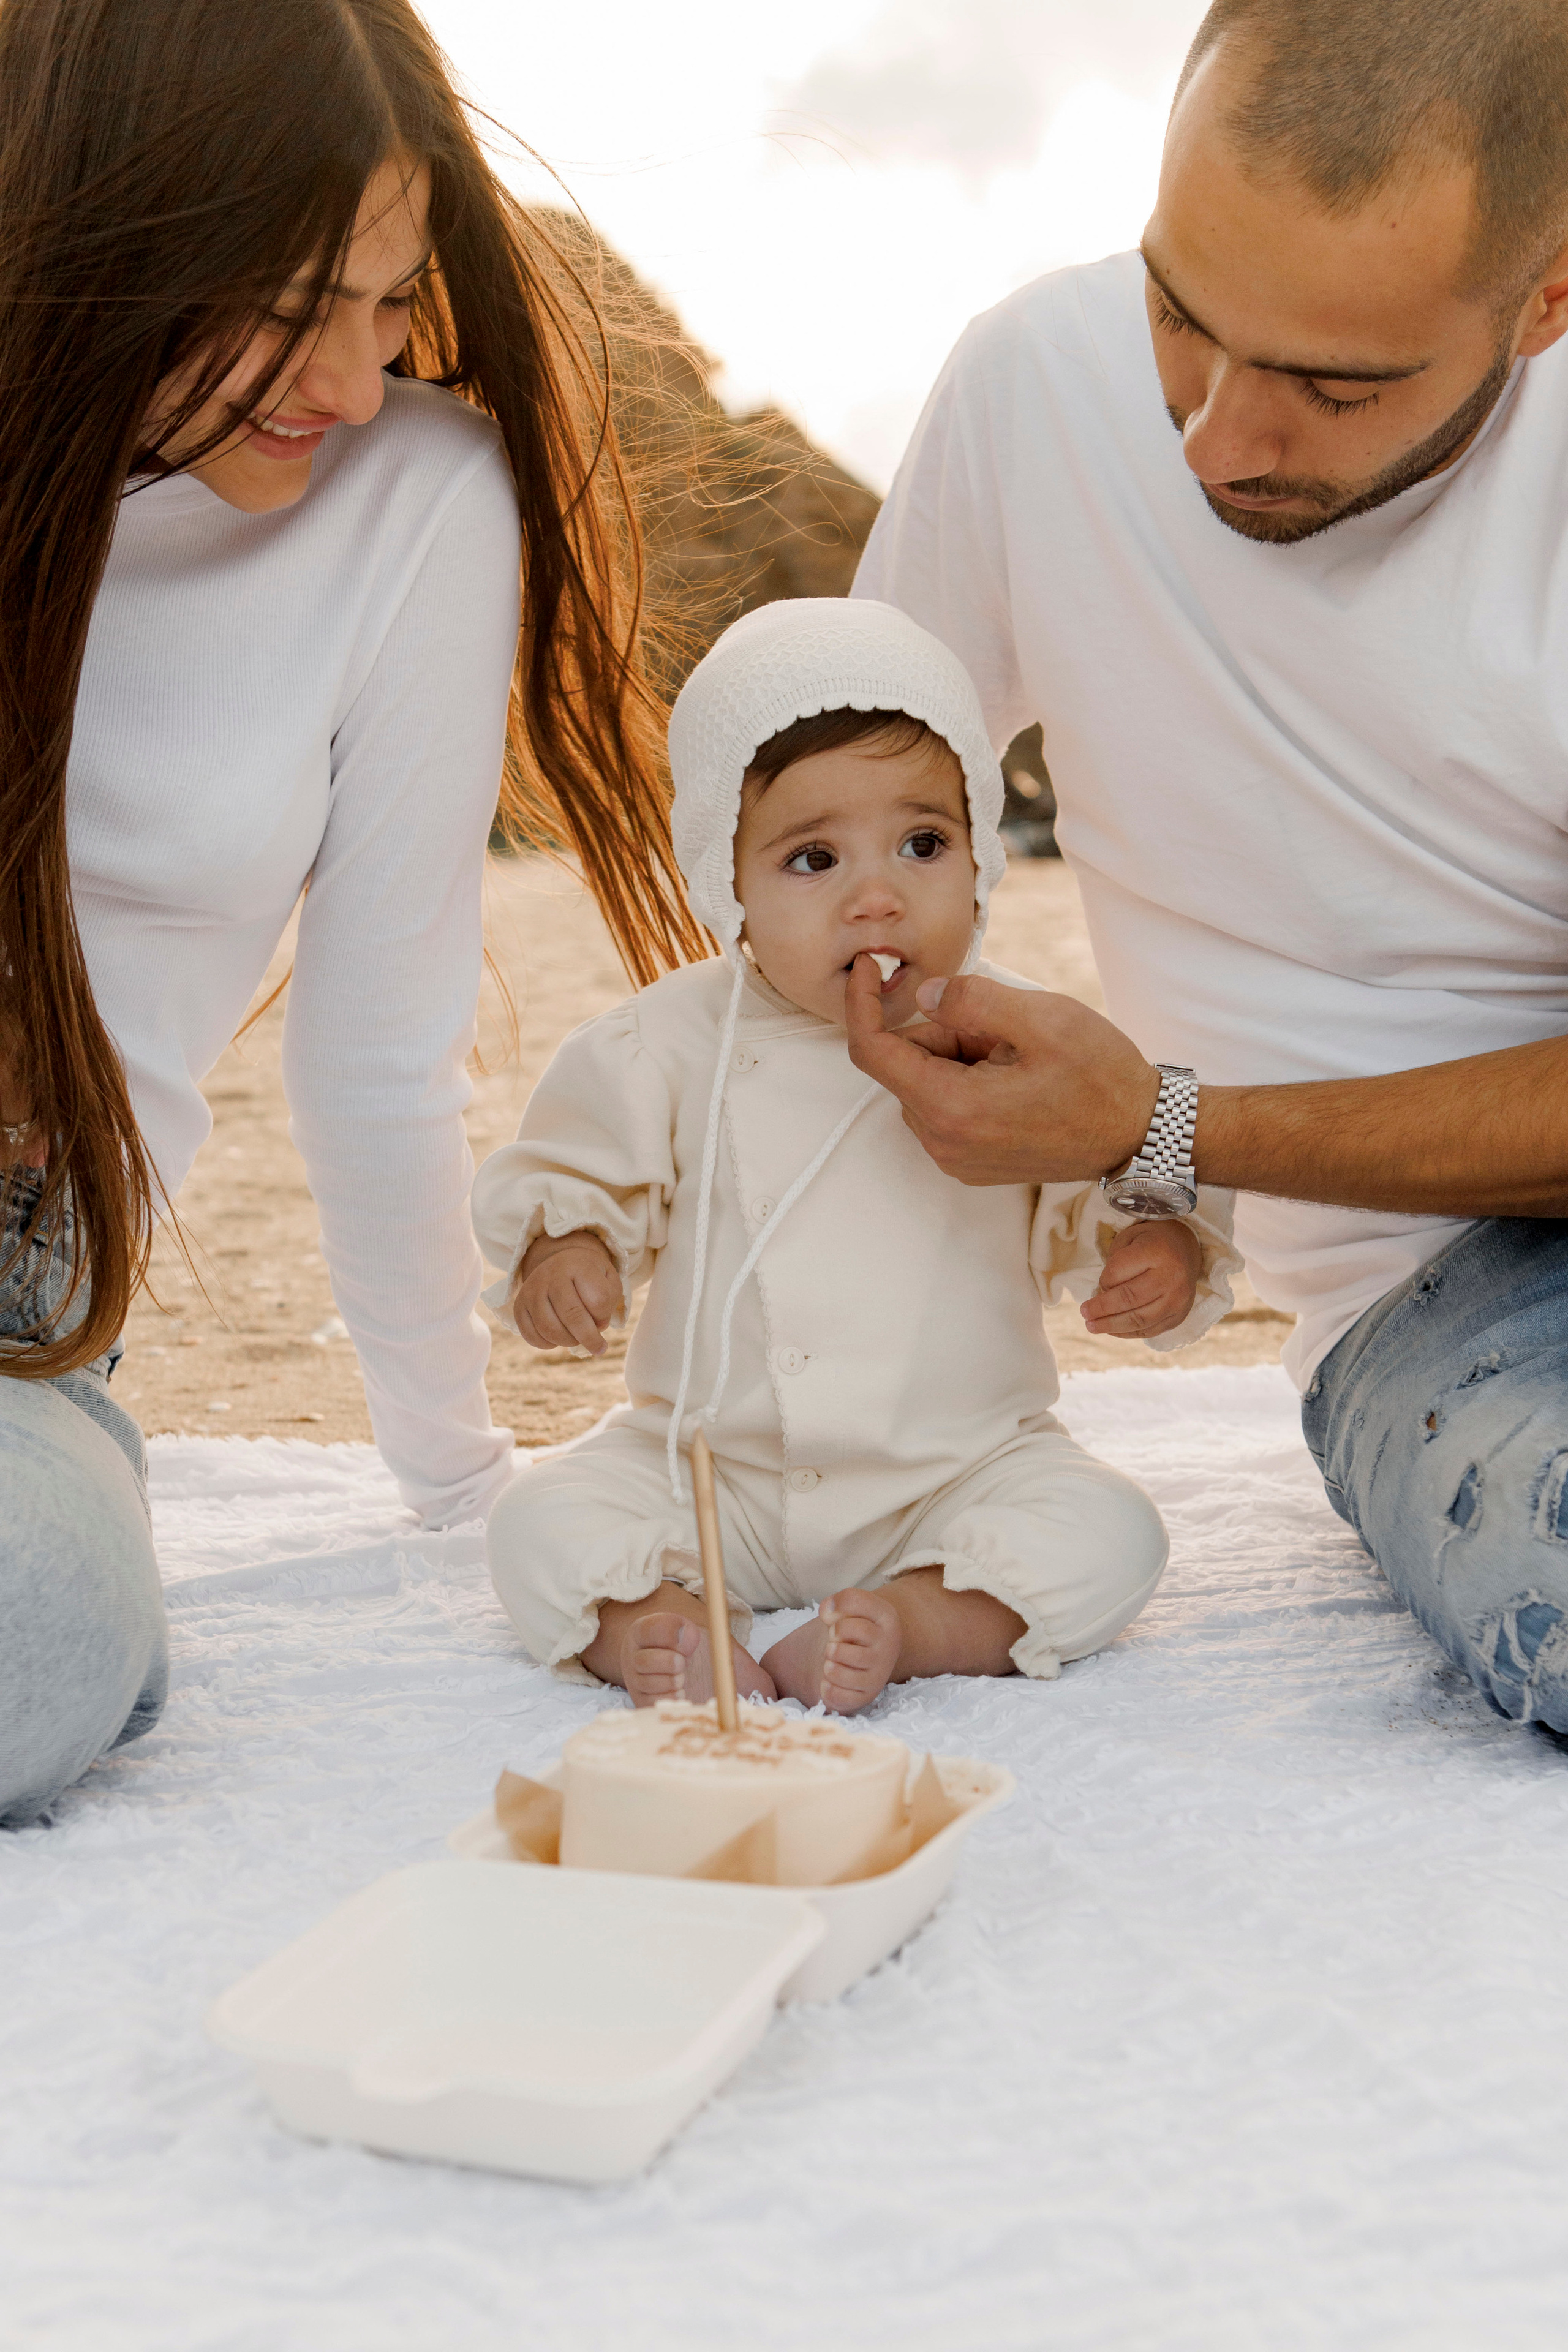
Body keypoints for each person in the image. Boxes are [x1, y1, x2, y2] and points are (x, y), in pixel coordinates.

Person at [0, 0, 703, 1827]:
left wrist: (465, 1485)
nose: (353, 376)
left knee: (28, 1637)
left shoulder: (409, 507)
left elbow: (380, 1050)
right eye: (290, 300)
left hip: (21, 1281)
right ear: (107, 236)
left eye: (388, 304)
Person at [848, 0, 1568, 1733]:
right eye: (1179, 311)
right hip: (1448, 1299)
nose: (1214, 438)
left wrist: (1166, 1130)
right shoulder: (1034, 384)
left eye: (1333, 383)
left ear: (1548, 299)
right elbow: (819, 835)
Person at [473, 598, 1238, 1712]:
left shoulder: (1021, 1032)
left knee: (1111, 1531)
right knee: (542, 1520)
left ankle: (922, 1614)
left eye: (924, 844)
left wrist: (1151, 1242)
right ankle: (662, 1618)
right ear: (720, 878)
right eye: (813, 858)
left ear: (981, 849)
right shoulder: (665, 1041)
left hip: (958, 1468)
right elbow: (581, 1172)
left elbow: (1110, 1167)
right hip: (710, 1472)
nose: (877, 895)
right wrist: (568, 1248)